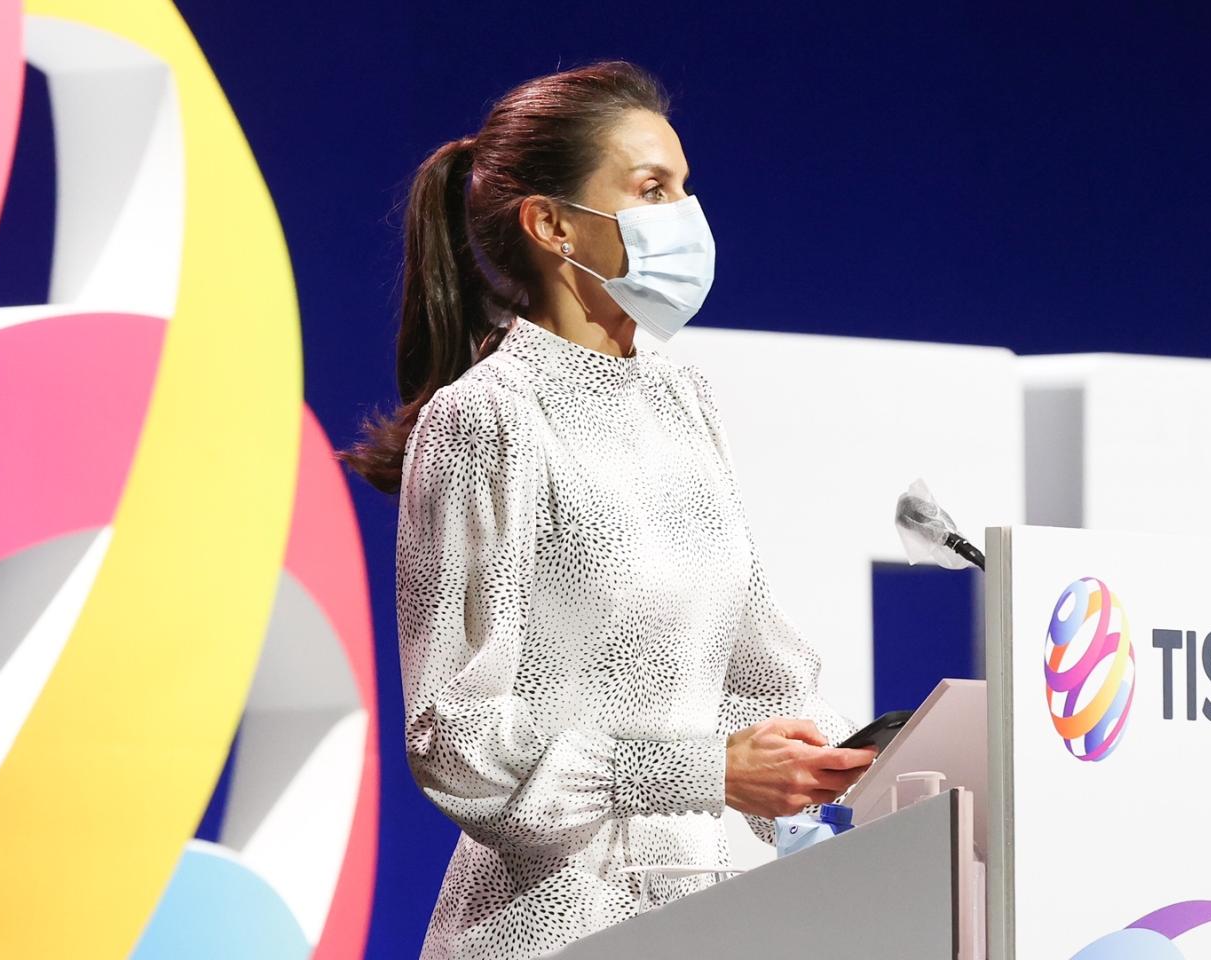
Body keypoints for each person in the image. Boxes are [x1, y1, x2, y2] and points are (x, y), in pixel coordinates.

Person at [336, 60, 877, 959]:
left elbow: (750, 652)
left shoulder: (683, 397)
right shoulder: (486, 417)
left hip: (717, 913)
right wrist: (703, 769)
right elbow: (455, 735)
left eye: (685, 188)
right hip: (557, 924)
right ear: (551, 224)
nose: (686, 217)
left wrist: (832, 754)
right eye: (651, 188)